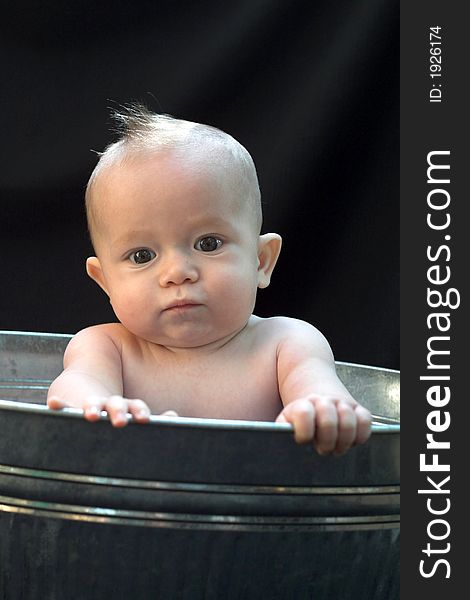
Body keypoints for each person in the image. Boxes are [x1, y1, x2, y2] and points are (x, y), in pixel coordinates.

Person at [47, 103, 372, 455]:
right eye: (142, 256)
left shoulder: (285, 344)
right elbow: (72, 389)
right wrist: (98, 406)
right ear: (106, 281)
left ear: (261, 261)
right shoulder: (105, 347)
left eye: (208, 244)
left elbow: (322, 390)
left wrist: (321, 408)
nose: (177, 273)